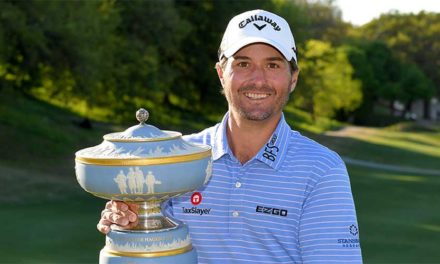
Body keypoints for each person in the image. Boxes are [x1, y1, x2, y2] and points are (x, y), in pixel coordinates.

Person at [98, 9, 363, 263]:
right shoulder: (177, 159)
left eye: (272, 65)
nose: (258, 79)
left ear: (293, 77)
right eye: (243, 63)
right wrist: (128, 223)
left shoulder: (322, 169)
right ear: (221, 74)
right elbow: (152, 248)